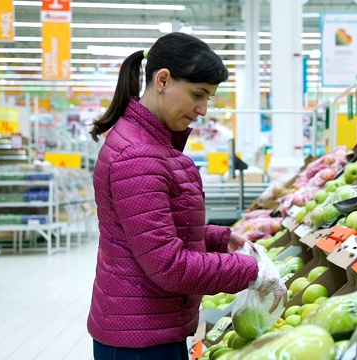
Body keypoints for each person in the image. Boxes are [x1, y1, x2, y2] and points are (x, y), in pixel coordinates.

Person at [87, 32, 286, 360]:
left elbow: (149, 233)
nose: (203, 109)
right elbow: (167, 265)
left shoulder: (148, 144)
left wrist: (218, 239)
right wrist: (250, 272)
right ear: (162, 80)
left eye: (209, 97)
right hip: (140, 339)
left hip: (146, 325)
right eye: (198, 94)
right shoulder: (138, 155)